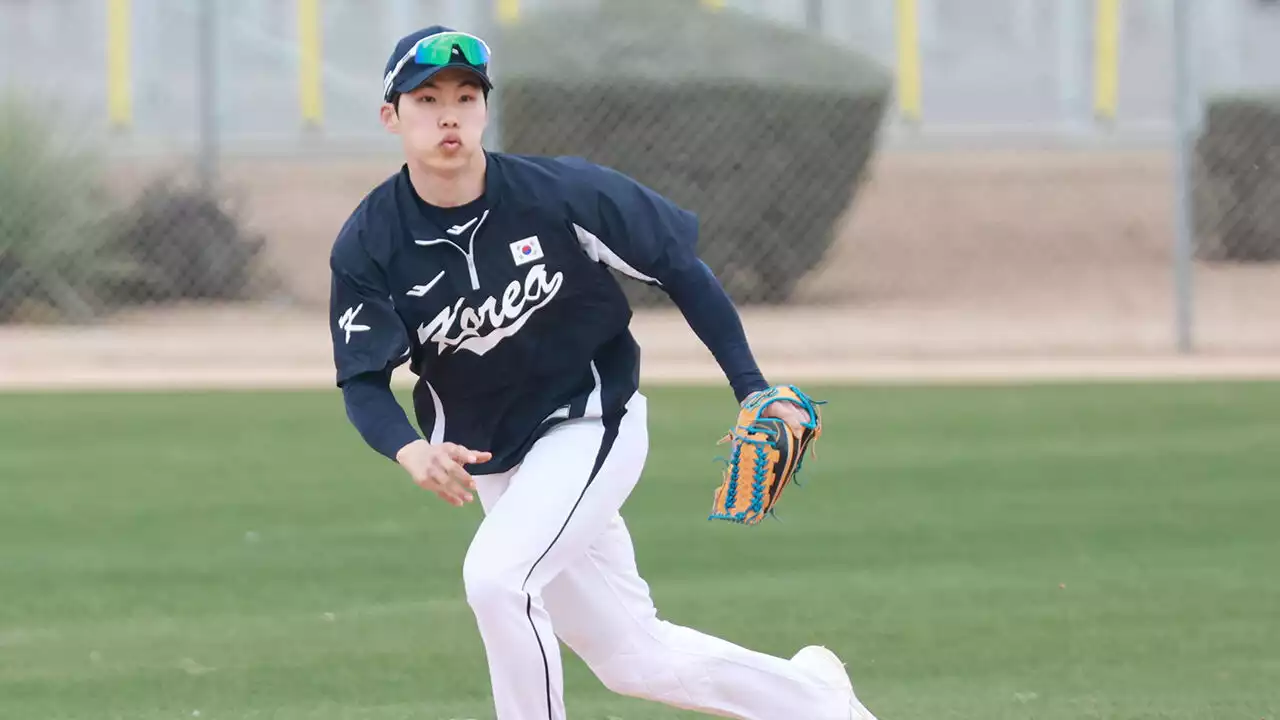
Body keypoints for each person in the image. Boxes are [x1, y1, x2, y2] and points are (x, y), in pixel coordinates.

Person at [327, 24, 880, 720]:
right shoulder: (371, 241)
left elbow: (680, 269)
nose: (449, 114)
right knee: (633, 658)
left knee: (497, 581)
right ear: (391, 116)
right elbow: (363, 380)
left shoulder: (559, 194)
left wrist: (752, 388)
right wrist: (409, 447)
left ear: (484, 111)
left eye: (467, 97)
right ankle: (819, 702)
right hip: (498, 459)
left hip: (591, 423)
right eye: (427, 98)